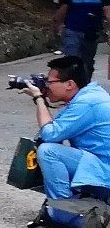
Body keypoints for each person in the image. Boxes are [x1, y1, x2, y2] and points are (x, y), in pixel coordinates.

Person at [29, 54, 110, 200]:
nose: (46, 86)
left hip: (105, 173)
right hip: (100, 166)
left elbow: (50, 134)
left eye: (50, 82)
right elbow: (56, 128)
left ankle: (63, 208)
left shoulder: (88, 102)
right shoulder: (88, 96)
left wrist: (38, 98)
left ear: (69, 84)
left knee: (49, 152)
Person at [52, 0, 106, 82]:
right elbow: (63, 9)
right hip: (72, 29)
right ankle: (71, 88)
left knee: (88, 62)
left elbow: (108, 10)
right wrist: (59, 24)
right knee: (72, 60)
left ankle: (84, 86)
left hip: (91, 32)